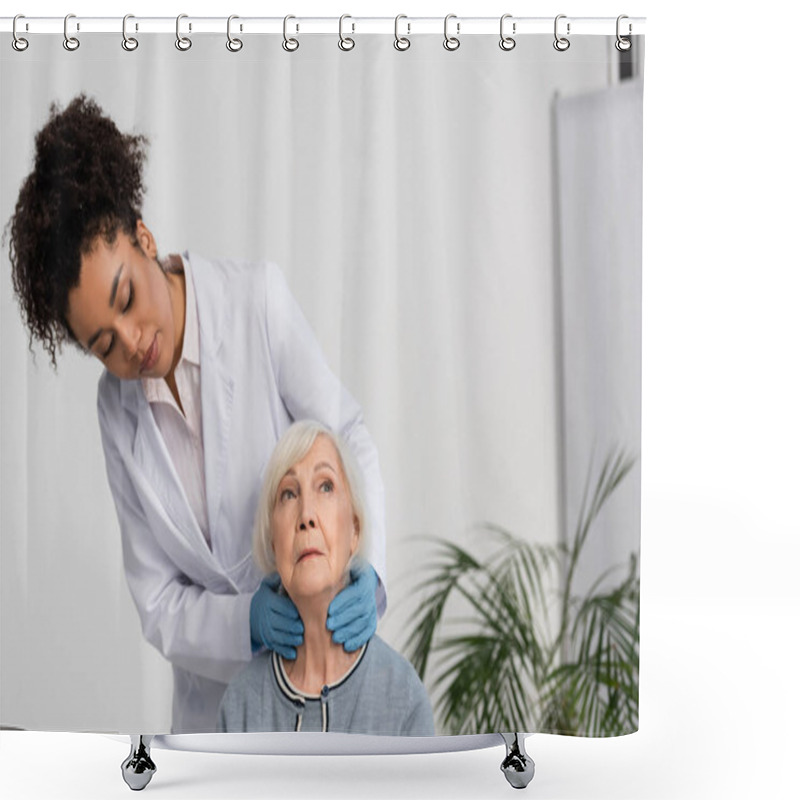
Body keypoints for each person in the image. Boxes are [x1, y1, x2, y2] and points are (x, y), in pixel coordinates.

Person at [5, 95, 387, 733]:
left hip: (322, 686)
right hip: (212, 716)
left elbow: (346, 435)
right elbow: (158, 601)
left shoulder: (255, 303)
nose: (130, 342)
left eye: (126, 298)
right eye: (103, 344)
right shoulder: (116, 414)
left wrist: (371, 578)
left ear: (144, 237)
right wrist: (246, 624)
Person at [218, 421, 433, 735]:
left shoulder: (402, 697)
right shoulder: (240, 708)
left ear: (354, 531)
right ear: (273, 543)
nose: (306, 515)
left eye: (326, 486)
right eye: (289, 494)